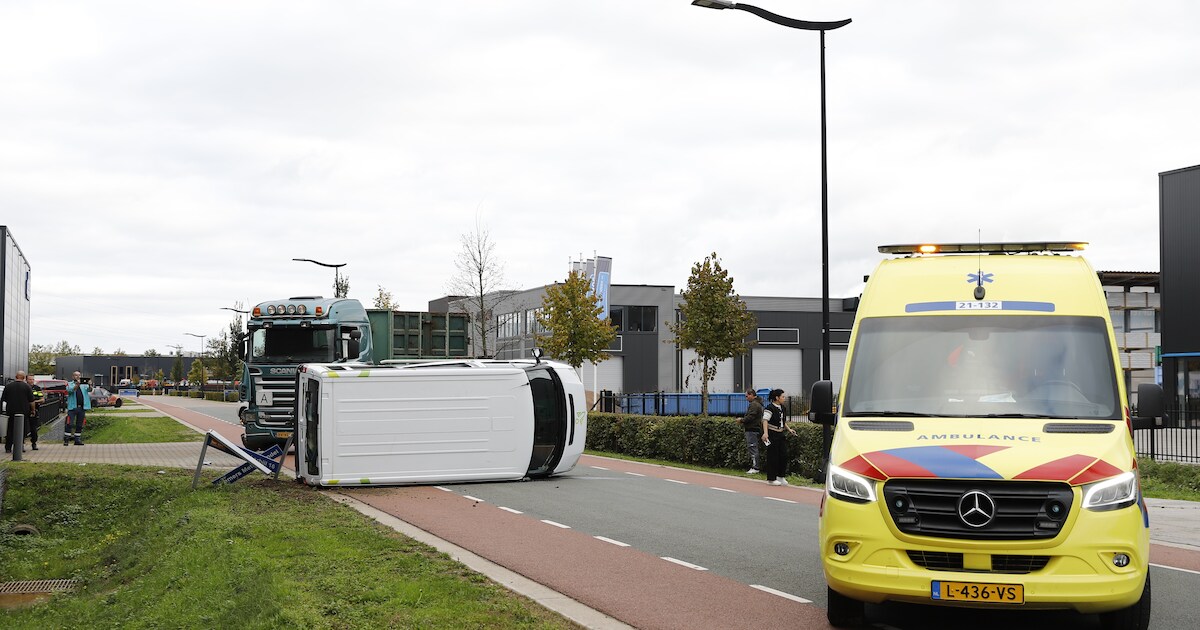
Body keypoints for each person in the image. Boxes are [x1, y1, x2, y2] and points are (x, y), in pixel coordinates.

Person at [761, 388, 797, 486]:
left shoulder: (782, 408)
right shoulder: (769, 408)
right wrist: (765, 433)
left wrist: (789, 430)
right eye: (782, 396)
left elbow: (783, 421)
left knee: (783, 455)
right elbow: (765, 420)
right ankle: (771, 478)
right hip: (772, 433)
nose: (784, 398)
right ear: (777, 398)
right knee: (773, 456)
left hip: (780, 434)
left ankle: (781, 476)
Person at [3, 371, 37, 453]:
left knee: (10, 428)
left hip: (11, 410)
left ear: (16, 376)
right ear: (24, 378)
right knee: (22, 429)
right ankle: (20, 446)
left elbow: (4, 399)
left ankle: (8, 447)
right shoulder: (27, 387)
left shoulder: (8, 386)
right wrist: (33, 410)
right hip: (23, 411)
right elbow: (31, 401)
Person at [741, 389, 765, 474]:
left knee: (752, 447)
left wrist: (742, 420)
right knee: (754, 447)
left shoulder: (754, 405)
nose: (746, 398)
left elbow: (751, 416)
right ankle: (756, 466)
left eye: (747, 396)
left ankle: (755, 467)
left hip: (752, 429)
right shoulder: (758, 404)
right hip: (756, 428)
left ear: (751, 395)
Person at [65, 371, 91, 446]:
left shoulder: (84, 385)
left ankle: (77, 439)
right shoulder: (70, 384)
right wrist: (77, 385)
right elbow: (70, 390)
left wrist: (90, 385)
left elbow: (90, 390)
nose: (78, 377)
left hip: (82, 407)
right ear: (73, 376)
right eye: (76, 375)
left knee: (80, 424)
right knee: (69, 423)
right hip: (72, 407)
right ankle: (66, 439)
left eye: (79, 375)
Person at [26, 374, 44, 449]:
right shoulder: (25, 387)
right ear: (26, 380)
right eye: (30, 379)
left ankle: (34, 442)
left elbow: (42, 399)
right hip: (25, 409)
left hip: (34, 410)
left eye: (33, 379)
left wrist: (34, 402)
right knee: (23, 427)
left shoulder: (37, 388)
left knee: (33, 428)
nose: (31, 381)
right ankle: (21, 443)